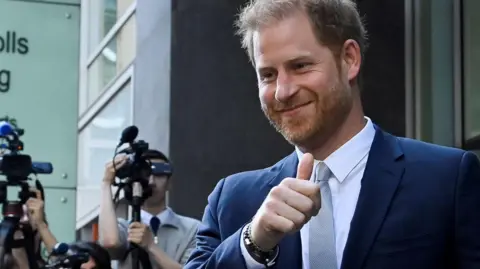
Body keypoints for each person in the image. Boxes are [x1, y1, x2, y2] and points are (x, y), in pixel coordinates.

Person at [184, 0, 480, 269]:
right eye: (268, 75)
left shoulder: (445, 180)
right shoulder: (233, 200)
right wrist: (252, 244)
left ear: (350, 59)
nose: (283, 92)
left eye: (300, 66)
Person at [99, 149, 200, 269]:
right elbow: (110, 242)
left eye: (159, 174)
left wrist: (151, 246)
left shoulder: (193, 229)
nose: (151, 182)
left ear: (169, 183)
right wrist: (106, 183)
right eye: (145, 174)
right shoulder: (124, 228)